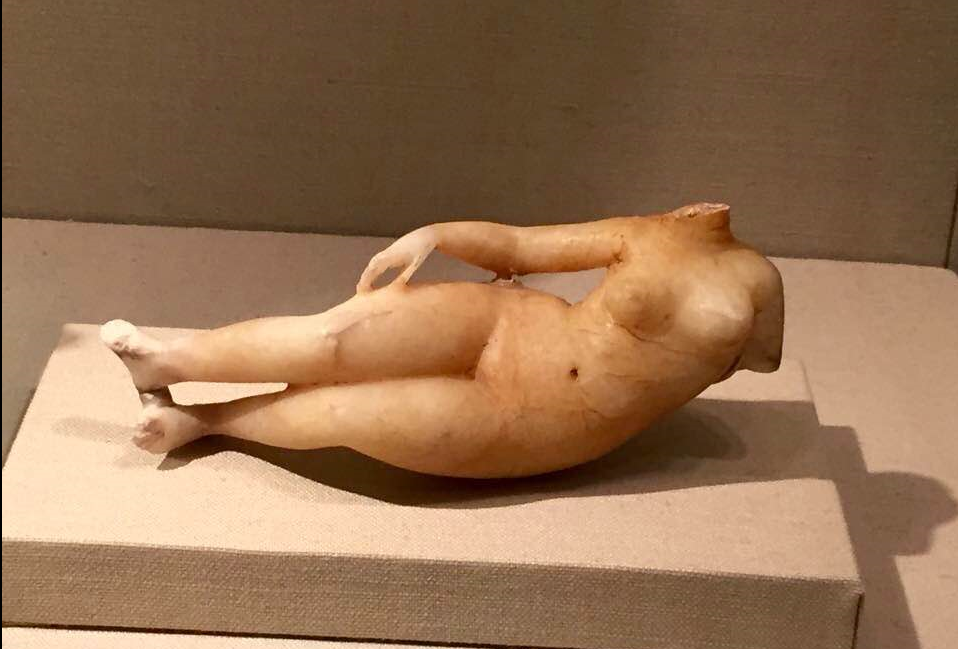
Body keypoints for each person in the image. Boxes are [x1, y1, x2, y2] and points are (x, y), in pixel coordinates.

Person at [101, 202, 783, 478]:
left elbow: (763, 358)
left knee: (347, 412)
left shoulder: (756, 278)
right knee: (333, 338)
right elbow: (520, 246)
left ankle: (204, 422)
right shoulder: (646, 232)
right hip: (515, 322)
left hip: (544, 416)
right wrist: (436, 236)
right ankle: (168, 359)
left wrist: (673, 372)